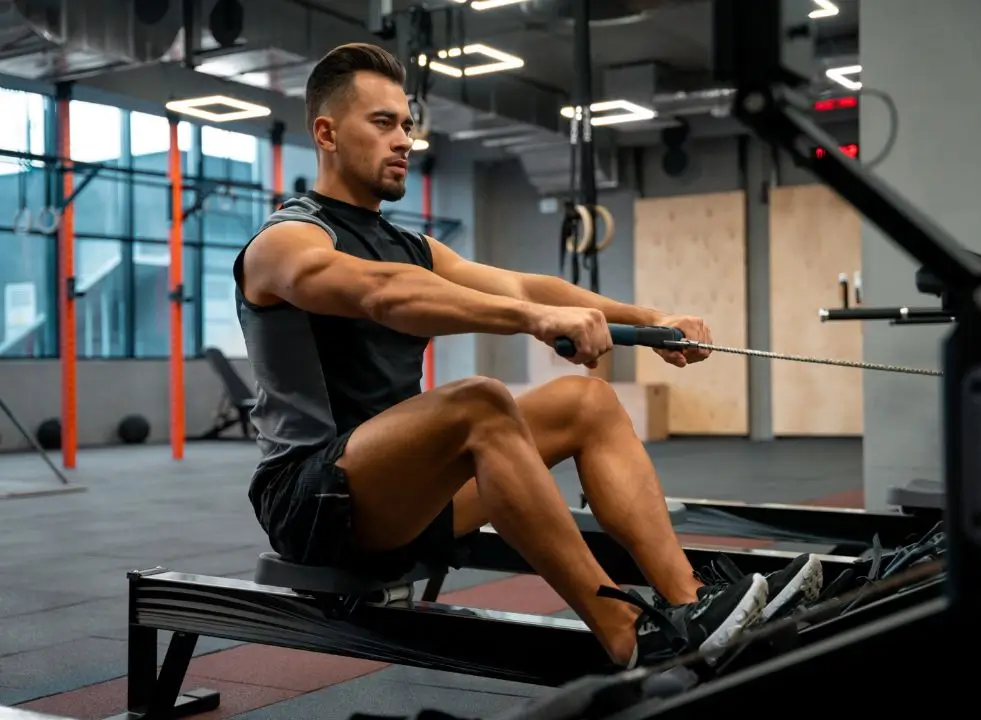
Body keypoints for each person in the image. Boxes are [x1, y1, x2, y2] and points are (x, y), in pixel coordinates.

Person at [233, 42, 822, 671]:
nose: (403, 139)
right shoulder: (286, 241)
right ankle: (625, 631)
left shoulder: (409, 244)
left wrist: (651, 319)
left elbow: (524, 286)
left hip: (408, 495)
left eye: (406, 124)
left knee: (586, 401)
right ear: (326, 132)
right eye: (382, 124)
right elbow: (382, 294)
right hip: (312, 503)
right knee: (479, 402)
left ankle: (692, 604)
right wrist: (532, 322)